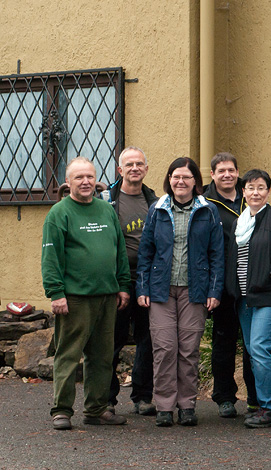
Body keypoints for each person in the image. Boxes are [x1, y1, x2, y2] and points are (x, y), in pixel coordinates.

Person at [42, 157, 131, 430]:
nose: (85, 182)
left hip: (107, 296)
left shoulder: (106, 211)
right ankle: (61, 411)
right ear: (68, 182)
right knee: (68, 355)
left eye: (90, 177)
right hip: (75, 298)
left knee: (102, 357)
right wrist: (56, 292)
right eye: (79, 177)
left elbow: (120, 251)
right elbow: (51, 257)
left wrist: (123, 284)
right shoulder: (59, 213)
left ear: (96, 180)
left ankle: (96, 409)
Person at [136, 157, 225, 428]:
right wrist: (142, 286)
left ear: (196, 181)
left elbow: (217, 254)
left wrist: (214, 290)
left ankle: (187, 405)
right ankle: (164, 405)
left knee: (188, 350)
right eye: (176, 176)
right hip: (161, 290)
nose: (181, 182)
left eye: (186, 177)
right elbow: (145, 251)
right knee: (164, 348)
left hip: (194, 290)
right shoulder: (157, 209)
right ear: (169, 179)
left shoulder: (208, 211)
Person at [227, 169, 271, 428]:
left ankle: (270, 409)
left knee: (259, 347)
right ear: (243, 192)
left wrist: (268, 273)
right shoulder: (240, 222)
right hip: (245, 298)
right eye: (250, 187)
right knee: (252, 350)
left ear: (268, 191)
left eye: (260, 187)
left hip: (269, 293)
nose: (255, 192)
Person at [202, 152, 257, 418]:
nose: (227, 175)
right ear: (212, 174)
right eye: (221, 170)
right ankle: (224, 397)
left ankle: (257, 397)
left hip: (250, 283)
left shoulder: (251, 198)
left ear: (237, 172)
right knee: (223, 343)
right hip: (222, 284)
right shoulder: (205, 203)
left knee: (252, 343)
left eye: (231, 170)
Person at [107, 146, 157, 416]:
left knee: (146, 338)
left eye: (139, 164)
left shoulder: (155, 201)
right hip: (116, 278)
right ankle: (107, 399)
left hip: (147, 277)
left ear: (146, 169)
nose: (135, 168)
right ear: (120, 170)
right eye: (129, 164)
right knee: (111, 340)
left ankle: (142, 396)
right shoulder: (107, 201)